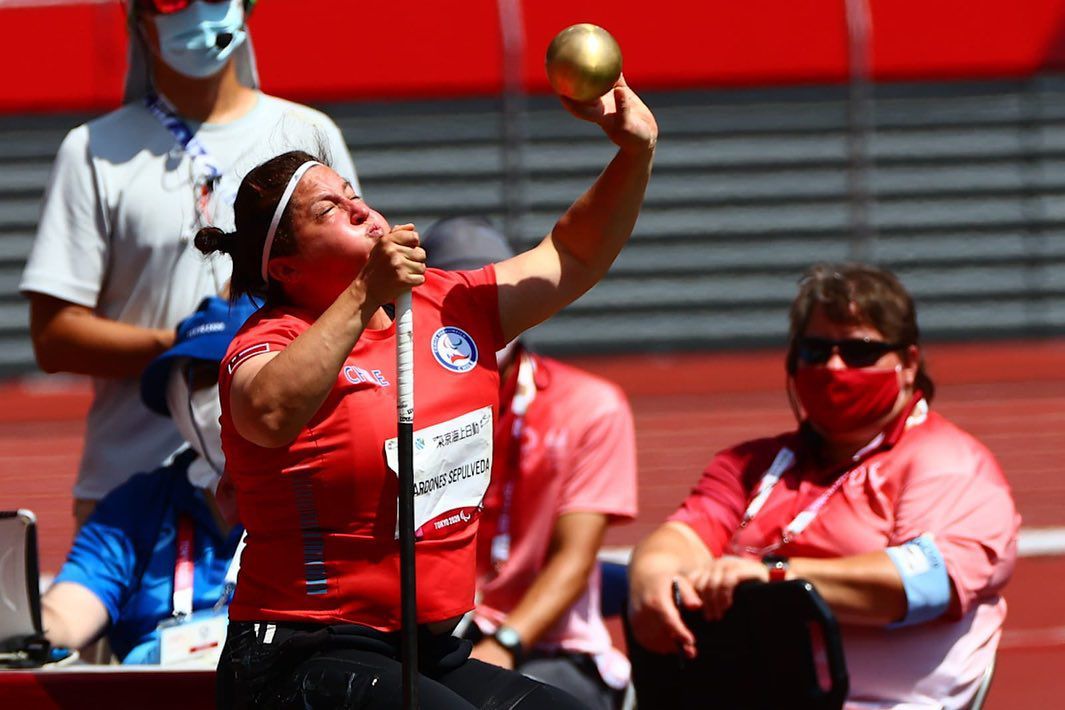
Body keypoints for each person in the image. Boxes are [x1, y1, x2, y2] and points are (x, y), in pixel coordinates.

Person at [197, 74, 656, 708]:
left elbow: (572, 256)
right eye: (328, 209)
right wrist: (364, 295)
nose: (359, 208)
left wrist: (633, 154)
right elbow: (268, 411)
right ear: (286, 267)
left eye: (354, 195)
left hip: (427, 646)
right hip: (302, 651)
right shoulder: (270, 338)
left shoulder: (445, 305)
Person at [19, 0, 358, 525]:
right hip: (131, 496)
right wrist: (191, 344)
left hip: (285, 487)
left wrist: (247, 351)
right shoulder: (91, 150)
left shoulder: (308, 133)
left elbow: (353, 290)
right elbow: (53, 336)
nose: (197, 14)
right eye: (174, 1)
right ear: (139, 21)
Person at [627, 263, 1020, 709]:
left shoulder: (948, 463)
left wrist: (775, 577)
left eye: (859, 351)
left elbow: (927, 583)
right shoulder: (751, 464)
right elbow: (682, 535)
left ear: (908, 363)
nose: (834, 366)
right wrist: (653, 577)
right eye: (816, 350)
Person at [422, 217, 638, 710]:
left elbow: (574, 556)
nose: (475, 315)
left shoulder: (589, 405)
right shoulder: (398, 410)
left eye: (487, 293)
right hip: (437, 641)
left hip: (547, 647)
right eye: (454, 300)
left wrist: (508, 642)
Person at [41, 295, 255, 664]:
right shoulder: (135, 507)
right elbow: (65, 614)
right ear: (173, 399)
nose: (221, 391)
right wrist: (25, 627)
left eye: (237, 369)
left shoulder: (324, 493)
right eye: (204, 378)